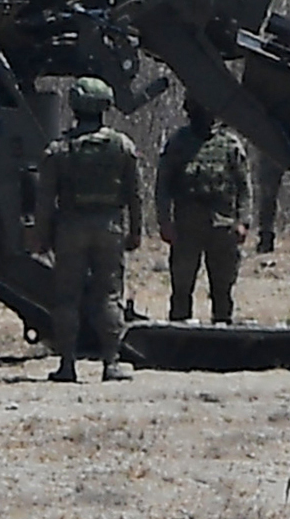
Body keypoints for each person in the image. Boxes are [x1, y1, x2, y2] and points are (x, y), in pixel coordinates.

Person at [41, 77, 141, 380]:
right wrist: (136, 231)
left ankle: (67, 365)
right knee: (108, 295)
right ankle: (110, 363)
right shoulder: (122, 146)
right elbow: (134, 194)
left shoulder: (59, 149)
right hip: (109, 227)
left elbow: (45, 198)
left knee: (66, 297)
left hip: (70, 228)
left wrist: (41, 234)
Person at [155, 107, 253, 325]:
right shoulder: (178, 143)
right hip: (187, 226)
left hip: (223, 226)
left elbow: (243, 186)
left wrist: (243, 221)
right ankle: (179, 337)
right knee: (181, 288)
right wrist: (165, 221)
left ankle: (223, 334)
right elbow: (163, 185)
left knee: (222, 289)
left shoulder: (230, 144)